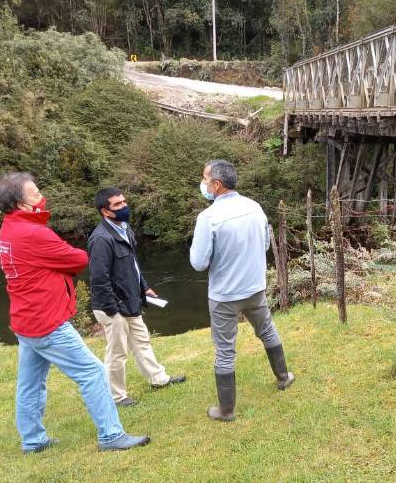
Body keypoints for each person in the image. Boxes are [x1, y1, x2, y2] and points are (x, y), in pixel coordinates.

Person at [0, 172, 149, 453]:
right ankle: (111, 435)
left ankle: (33, 441)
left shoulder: (9, 229)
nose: (42, 197)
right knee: (93, 373)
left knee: (30, 384)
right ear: (21, 205)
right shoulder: (32, 233)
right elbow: (78, 258)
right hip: (47, 322)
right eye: (35, 193)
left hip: (25, 320)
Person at [190, 160, 295, 422]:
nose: (202, 184)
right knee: (267, 330)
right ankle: (284, 377)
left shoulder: (208, 218)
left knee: (225, 350)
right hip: (254, 288)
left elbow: (199, 263)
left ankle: (225, 411)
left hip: (224, 295)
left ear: (216, 185)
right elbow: (265, 246)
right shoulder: (254, 207)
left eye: (205, 179)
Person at [88, 187, 186, 407]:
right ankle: (116, 396)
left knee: (142, 341)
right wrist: (112, 310)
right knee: (117, 352)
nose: (124, 206)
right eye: (117, 204)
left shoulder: (125, 228)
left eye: (124, 202)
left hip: (130, 299)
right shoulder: (101, 239)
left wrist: (144, 287)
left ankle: (159, 379)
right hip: (112, 306)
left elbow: (132, 265)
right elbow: (98, 279)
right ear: (105, 211)